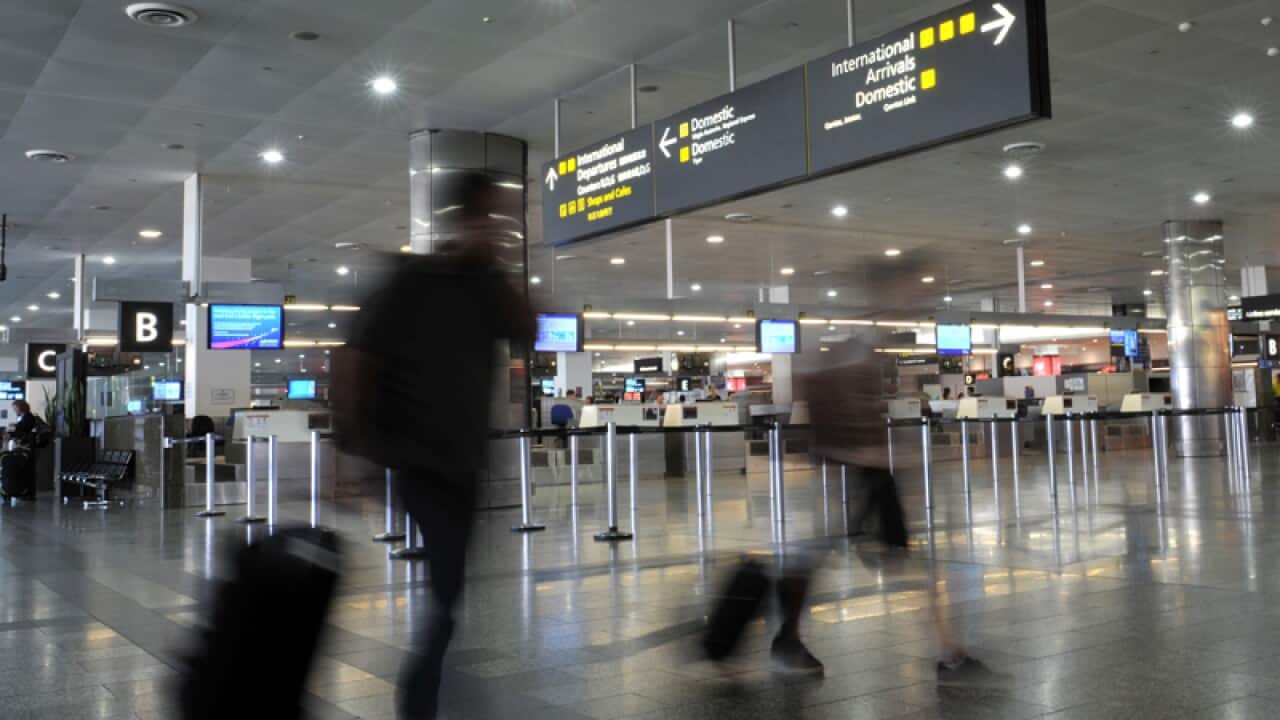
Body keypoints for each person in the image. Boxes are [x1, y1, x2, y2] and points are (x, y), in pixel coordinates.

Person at [339, 172, 533, 720]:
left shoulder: (483, 285)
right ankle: (419, 690)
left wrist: (494, 265)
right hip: (417, 455)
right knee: (447, 576)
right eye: (484, 216)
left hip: (465, 458)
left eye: (498, 219)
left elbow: (527, 326)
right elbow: (357, 358)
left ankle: (426, 677)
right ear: (461, 216)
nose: (491, 227)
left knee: (451, 581)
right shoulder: (412, 281)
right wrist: (356, 450)